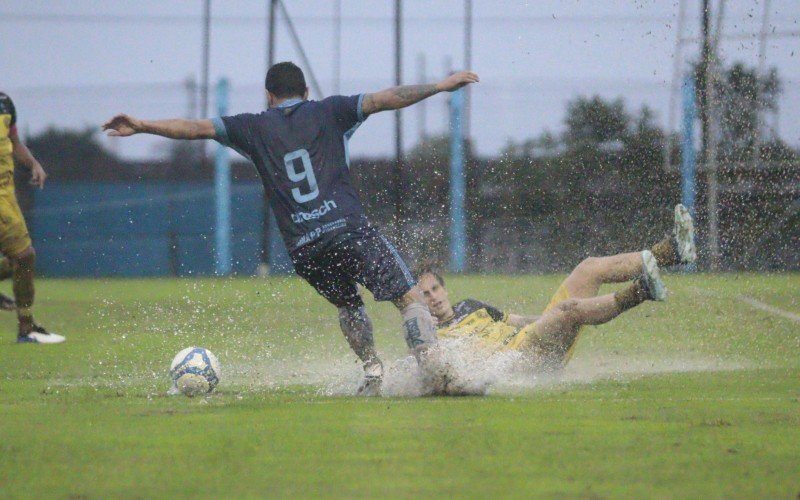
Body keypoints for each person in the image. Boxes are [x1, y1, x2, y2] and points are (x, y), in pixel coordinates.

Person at [103, 62, 479, 395]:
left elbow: (195, 128)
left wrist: (143, 125)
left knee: (348, 304)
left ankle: (372, 370)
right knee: (409, 300)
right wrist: (438, 86)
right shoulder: (331, 111)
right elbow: (386, 98)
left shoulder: (251, 127)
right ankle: (436, 372)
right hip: (349, 231)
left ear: (269, 96)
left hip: (304, 247)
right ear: (306, 92)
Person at [416, 205, 696, 372]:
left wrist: (552, 322)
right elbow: (432, 369)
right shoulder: (431, 337)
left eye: (435, 289)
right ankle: (644, 290)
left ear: (445, 289)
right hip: (526, 363)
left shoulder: (470, 305)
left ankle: (671, 252)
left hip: (536, 337)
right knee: (566, 310)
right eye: (425, 295)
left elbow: (521, 321)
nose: (433, 298)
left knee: (588, 268)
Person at [0, 92, 65, 344]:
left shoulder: (5, 102)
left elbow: (14, 141)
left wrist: (33, 164)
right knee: (24, 256)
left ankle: (27, 329)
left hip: (7, 192)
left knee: (20, 259)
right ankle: (26, 329)